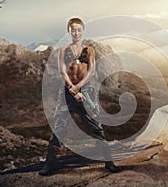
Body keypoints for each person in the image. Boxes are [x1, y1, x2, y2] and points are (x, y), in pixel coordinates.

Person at [39, 18, 120, 176]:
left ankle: (109, 162)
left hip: (87, 91)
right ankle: (49, 164)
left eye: (78, 30)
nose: (75, 32)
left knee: (96, 127)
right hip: (67, 91)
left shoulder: (89, 50)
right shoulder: (63, 50)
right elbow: (63, 71)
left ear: (82, 31)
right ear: (69, 32)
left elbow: (91, 71)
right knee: (59, 127)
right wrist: (72, 88)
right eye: (72, 30)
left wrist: (79, 87)